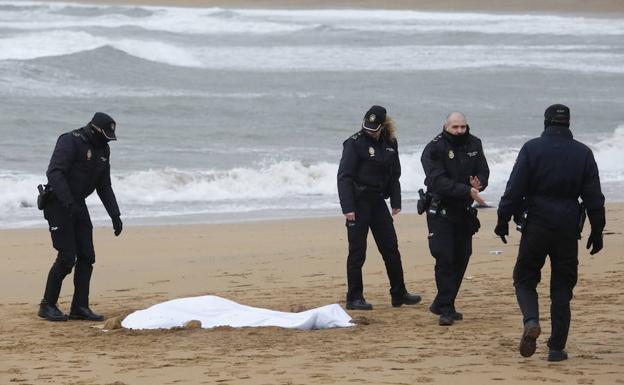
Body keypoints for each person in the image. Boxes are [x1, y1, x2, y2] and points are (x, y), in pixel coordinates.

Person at [495, 104, 605, 362]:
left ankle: (531, 320)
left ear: (545, 123)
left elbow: (514, 189)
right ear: (568, 124)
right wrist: (597, 230)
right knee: (562, 287)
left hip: (537, 225)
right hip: (567, 228)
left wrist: (503, 219)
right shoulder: (583, 153)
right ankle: (556, 348)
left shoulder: (532, 149)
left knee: (524, 278)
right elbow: (594, 198)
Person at [38, 112, 123, 322]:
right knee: (67, 257)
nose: (107, 140)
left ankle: (80, 307)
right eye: (105, 135)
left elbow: (104, 185)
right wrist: (68, 203)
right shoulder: (70, 141)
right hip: (59, 202)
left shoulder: (103, 150)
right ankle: (47, 305)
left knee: (87, 256)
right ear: (94, 129)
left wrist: (115, 214)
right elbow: (54, 173)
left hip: (78, 204)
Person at [337, 105, 422, 310]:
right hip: (358, 203)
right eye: (367, 126)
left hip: (377, 202)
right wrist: (348, 208)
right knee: (358, 252)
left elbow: (395, 175)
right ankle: (354, 297)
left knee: (391, 248)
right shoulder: (353, 144)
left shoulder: (391, 143)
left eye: (374, 128)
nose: (370, 130)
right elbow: (344, 177)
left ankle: (399, 293)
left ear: (383, 126)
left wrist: (396, 201)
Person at [420, 112, 489, 326]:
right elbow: (437, 181)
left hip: (464, 209)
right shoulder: (433, 149)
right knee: (445, 257)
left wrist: (480, 183)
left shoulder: (474, 143)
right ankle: (446, 309)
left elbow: (483, 171)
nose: (459, 131)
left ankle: (443, 302)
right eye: (455, 127)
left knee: (463, 255)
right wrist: (466, 190)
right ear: (446, 126)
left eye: (463, 127)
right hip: (441, 208)